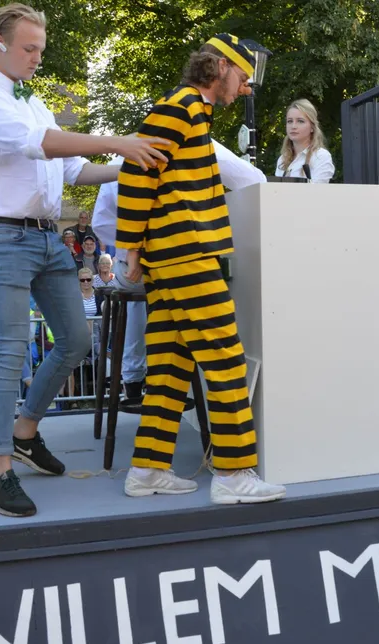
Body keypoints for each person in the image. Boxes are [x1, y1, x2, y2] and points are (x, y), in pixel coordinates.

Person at [0, 2, 171, 517]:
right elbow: (41, 145)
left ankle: (25, 432)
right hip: (1, 236)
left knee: (76, 341)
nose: (37, 57)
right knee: (10, 351)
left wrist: (135, 162)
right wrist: (122, 141)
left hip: (46, 238)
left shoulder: (34, 100)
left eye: (41, 49)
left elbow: (73, 169)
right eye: (29, 48)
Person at [116, 33, 286, 504]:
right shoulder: (184, 105)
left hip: (173, 254)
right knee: (226, 358)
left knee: (170, 366)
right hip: (186, 252)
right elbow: (135, 169)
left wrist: (136, 246)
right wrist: (130, 245)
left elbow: (145, 172)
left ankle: (147, 470)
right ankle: (234, 474)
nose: (246, 87)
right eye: (243, 76)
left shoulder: (190, 109)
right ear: (220, 67)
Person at [92, 140, 265, 410]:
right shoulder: (198, 143)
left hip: (135, 267)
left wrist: (133, 249)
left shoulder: (123, 154)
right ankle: (176, 381)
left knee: (139, 294)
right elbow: (254, 180)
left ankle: (134, 380)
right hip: (181, 265)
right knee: (185, 291)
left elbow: (101, 223)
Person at [275, 98, 334, 183]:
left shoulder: (320, 156)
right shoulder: (282, 159)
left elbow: (318, 190)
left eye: (300, 121)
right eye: (290, 121)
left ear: (312, 127)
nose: (293, 126)